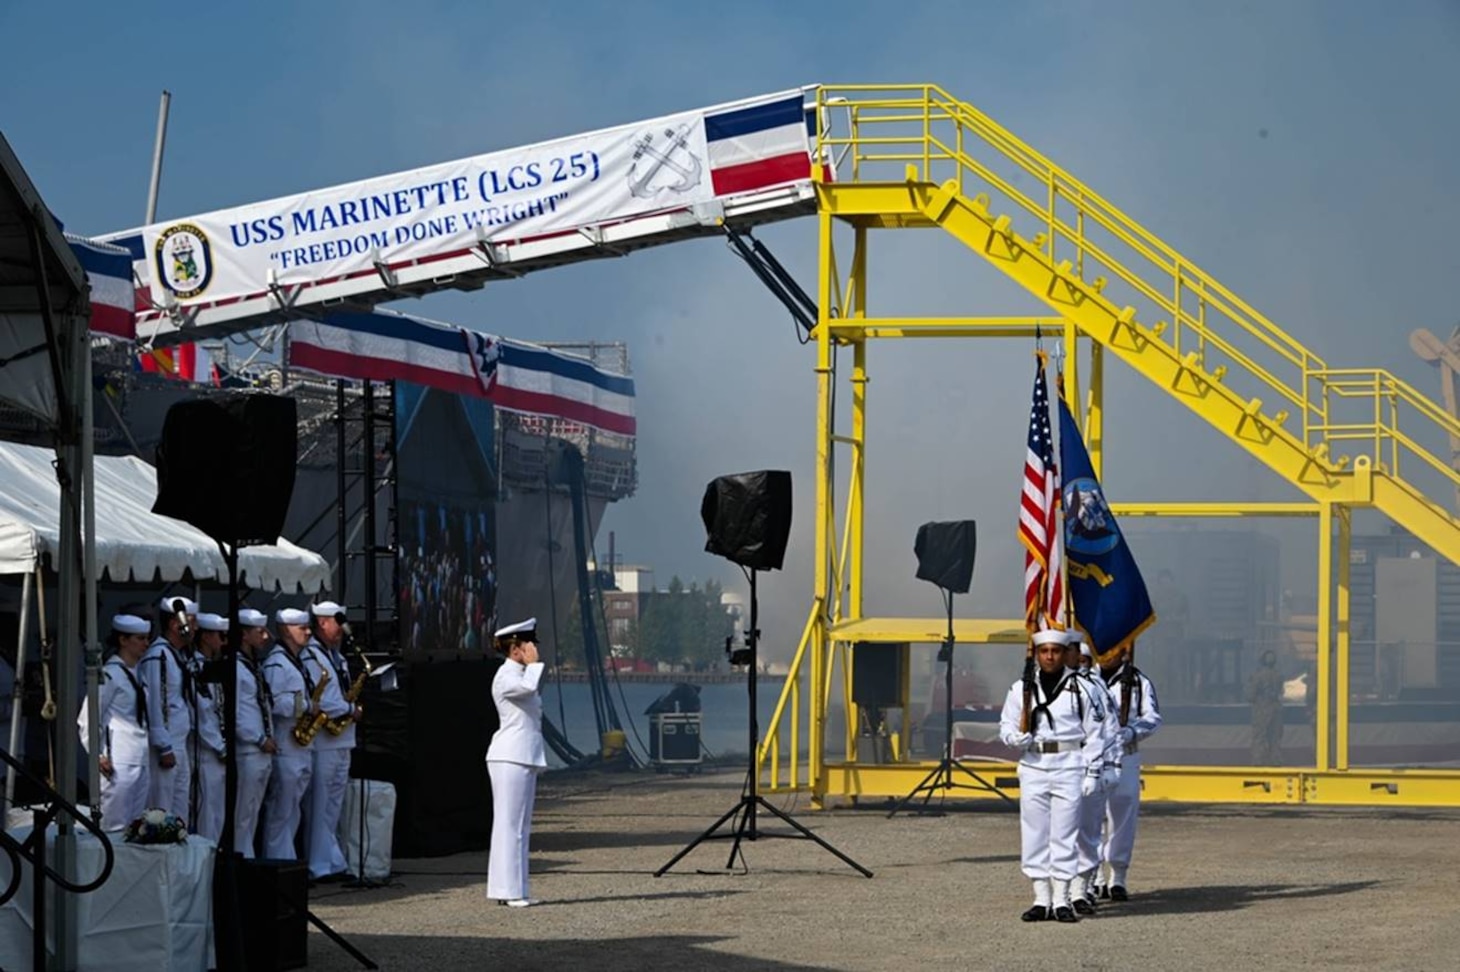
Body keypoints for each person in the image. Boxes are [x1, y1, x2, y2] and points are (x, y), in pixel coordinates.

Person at [998, 629, 1107, 922]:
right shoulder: (1021, 687)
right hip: (1034, 763)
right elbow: (1006, 725)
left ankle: (1061, 898)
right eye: (1044, 651)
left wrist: (1093, 771)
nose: (1049, 656)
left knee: (1065, 832)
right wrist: (1013, 738)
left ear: (1064, 654)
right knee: (1033, 832)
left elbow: (1096, 733)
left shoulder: (1083, 689)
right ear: (1036, 653)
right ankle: (1041, 898)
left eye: (1055, 651)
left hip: (1069, 763)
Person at [486, 617, 546, 907]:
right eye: (528, 644)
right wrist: (534, 666)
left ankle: (513, 889)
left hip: (521, 755)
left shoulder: (519, 674)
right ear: (515, 650)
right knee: (510, 826)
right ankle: (509, 891)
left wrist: (532, 668)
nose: (534, 649)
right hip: (510, 755)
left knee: (518, 826)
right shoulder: (506, 676)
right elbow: (526, 691)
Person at [1097, 645, 1163, 901]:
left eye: (1113, 647)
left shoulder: (1138, 681)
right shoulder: (1083, 680)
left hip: (1126, 754)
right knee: (1090, 817)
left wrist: (1133, 731)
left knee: (1122, 812)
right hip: (1092, 756)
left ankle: (1118, 876)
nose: (1108, 653)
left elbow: (1153, 717)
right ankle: (1094, 877)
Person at [78, 615, 153, 830]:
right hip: (117, 758)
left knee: (136, 825)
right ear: (123, 640)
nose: (145, 644)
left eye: (147, 638)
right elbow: (89, 716)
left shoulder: (138, 674)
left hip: (140, 755)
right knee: (114, 824)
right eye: (140, 638)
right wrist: (97, 753)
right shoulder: (110, 675)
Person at [262, 608, 321, 861]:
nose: (308, 632)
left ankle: (288, 862)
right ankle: (278, 862)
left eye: (308, 627)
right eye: (301, 627)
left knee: (292, 810)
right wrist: (308, 706)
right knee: (280, 811)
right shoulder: (277, 663)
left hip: (300, 747)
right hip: (286, 745)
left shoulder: (296, 661)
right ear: (285, 630)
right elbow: (275, 704)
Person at [302, 600, 355, 881]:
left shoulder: (338, 657)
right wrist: (348, 709)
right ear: (322, 622)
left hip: (342, 738)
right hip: (324, 740)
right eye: (336, 624)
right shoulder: (313, 656)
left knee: (333, 805)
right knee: (320, 804)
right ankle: (318, 863)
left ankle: (331, 858)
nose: (341, 631)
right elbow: (321, 699)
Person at [1069, 637, 1120, 913]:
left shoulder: (1097, 688)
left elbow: (1109, 731)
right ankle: (1061, 891)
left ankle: (1084, 885)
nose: (1078, 665)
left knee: (1089, 831)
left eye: (1084, 661)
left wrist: (1111, 766)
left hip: (1091, 765)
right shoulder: (1045, 687)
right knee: (1062, 832)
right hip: (1060, 765)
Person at [139, 595, 198, 822]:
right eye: (191, 622)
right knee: (162, 808)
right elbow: (156, 702)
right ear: (176, 624)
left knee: (180, 807)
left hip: (180, 740)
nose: (195, 628)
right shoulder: (158, 656)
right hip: (168, 742)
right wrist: (163, 745)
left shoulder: (177, 655)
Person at [234, 608, 277, 858]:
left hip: (262, 748)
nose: (266, 636)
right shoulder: (238, 668)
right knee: (243, 812)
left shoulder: (252, 666)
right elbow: (237, 712)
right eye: (259, 632)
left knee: (253, 813)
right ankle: (242, 858)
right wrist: (258, 738)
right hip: (250, 748)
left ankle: (248, 855)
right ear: (244, 635)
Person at [189, 613, 230, 843]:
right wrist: (219, 745)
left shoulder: (211, 665)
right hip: (208, 749)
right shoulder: (196, 667)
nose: (223, 642)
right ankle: (206, 860)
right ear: (205, 637)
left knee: (218, 811)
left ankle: (213, 859)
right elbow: (201, 712)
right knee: (207, 810)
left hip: (219, 746)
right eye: (220, 636)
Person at [1249, 649, 1284, 766]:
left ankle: (1258, 762)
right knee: (1275, 738)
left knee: (1259, 737)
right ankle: (1276, 761)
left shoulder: (1257, 676)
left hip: (1262, 710)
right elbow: (1281, 692)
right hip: (1277, 710)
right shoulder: (1279, 675)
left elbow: (1250, 695)